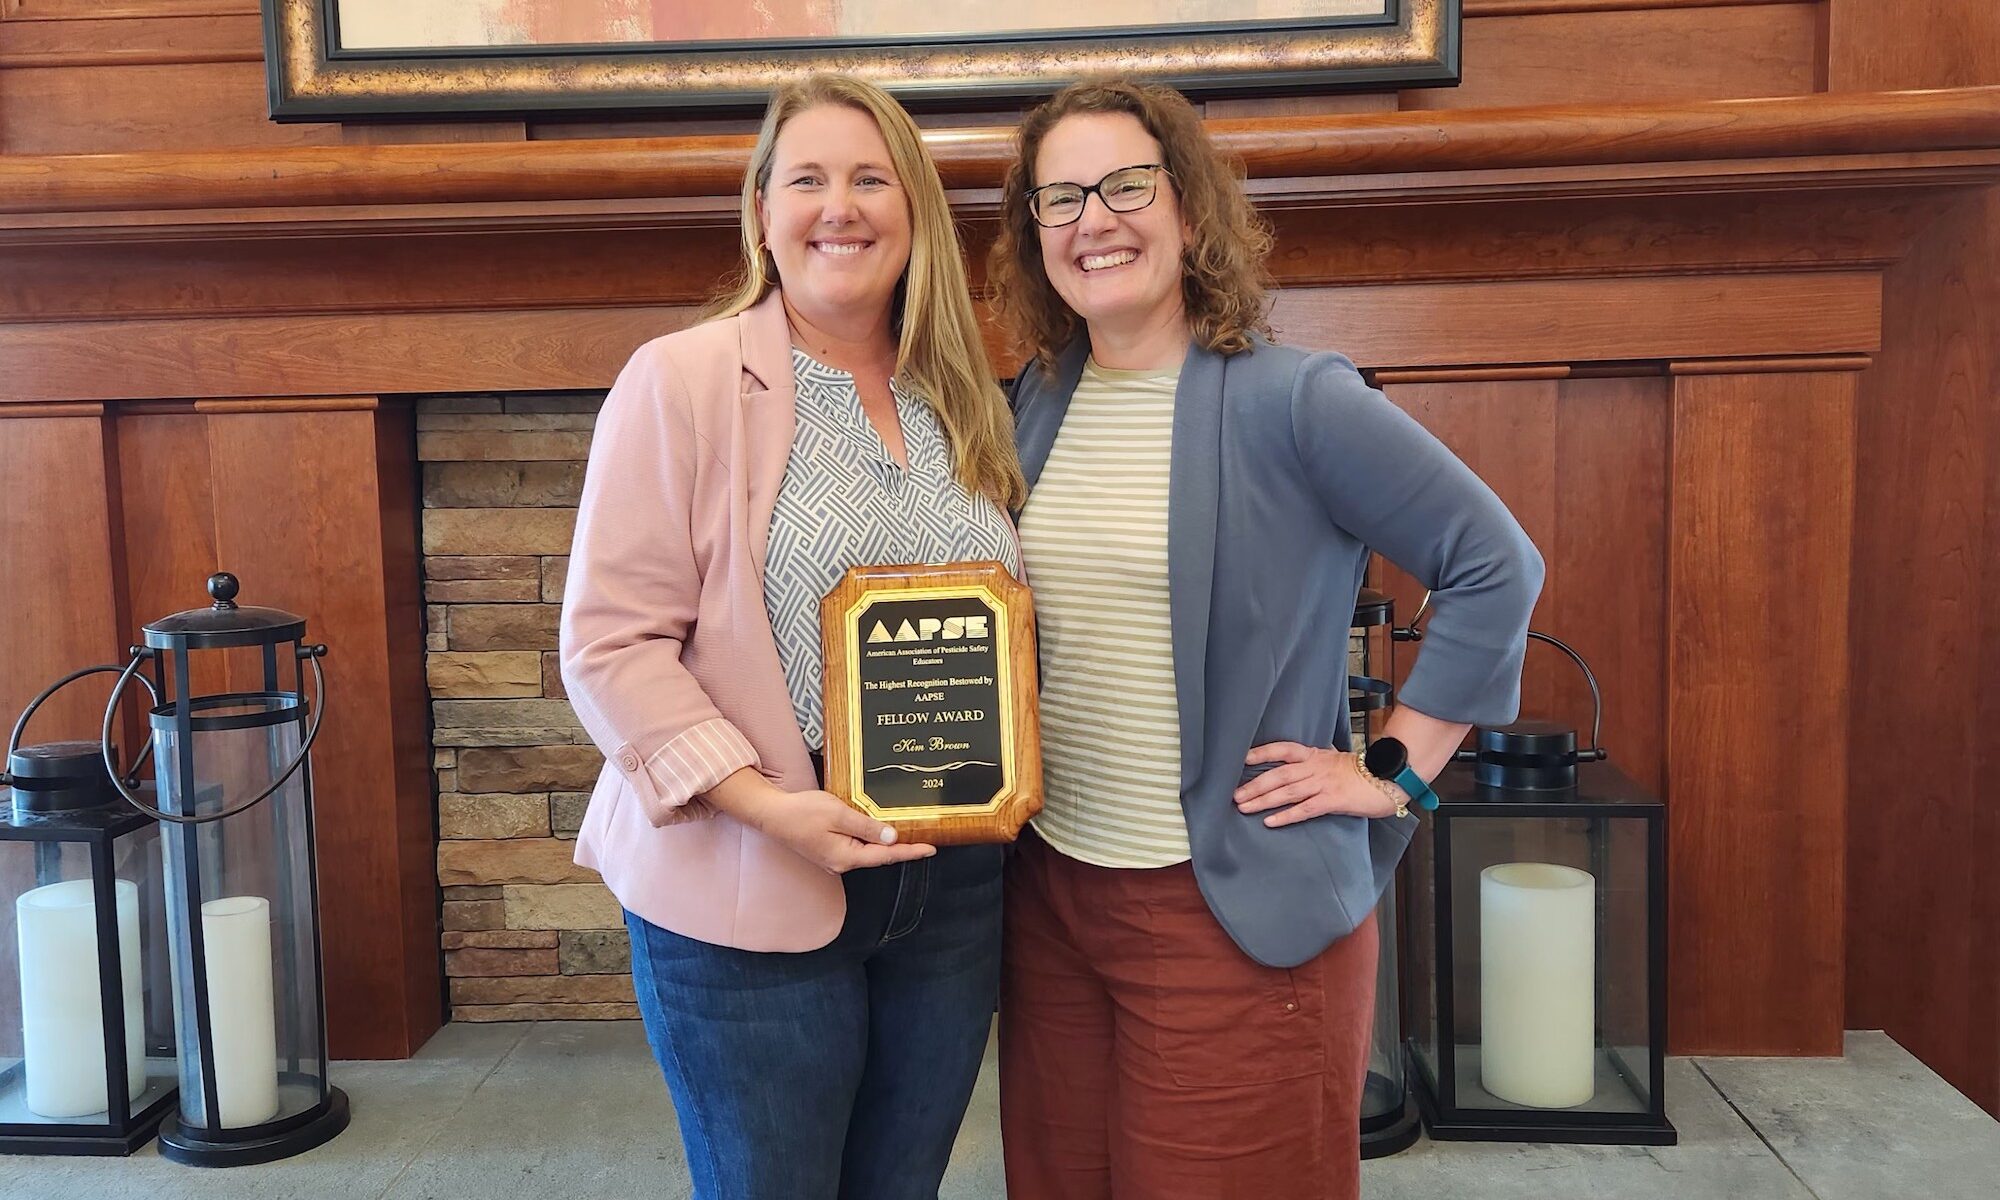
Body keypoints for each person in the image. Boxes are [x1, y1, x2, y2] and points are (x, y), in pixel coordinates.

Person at [988, 79, 1545, 1199]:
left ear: (1187, 210)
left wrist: (1391, 775)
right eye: (1058, 198)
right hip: (1051, 906)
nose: (1092, 218)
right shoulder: (1036, 400)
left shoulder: (1298, 401)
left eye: (1124, 184)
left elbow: (1496, 565)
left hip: (1231, 917)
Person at [560, 73, 1027, 1200]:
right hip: (750, 874)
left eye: (872, 179)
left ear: (912, 211)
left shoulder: (963, 394)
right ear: (761, 212)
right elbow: (611, 644)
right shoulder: (680, 378)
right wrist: (769, 807)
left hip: (949, 888)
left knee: (898, 1187)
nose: (841, 206)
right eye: (807, 178)